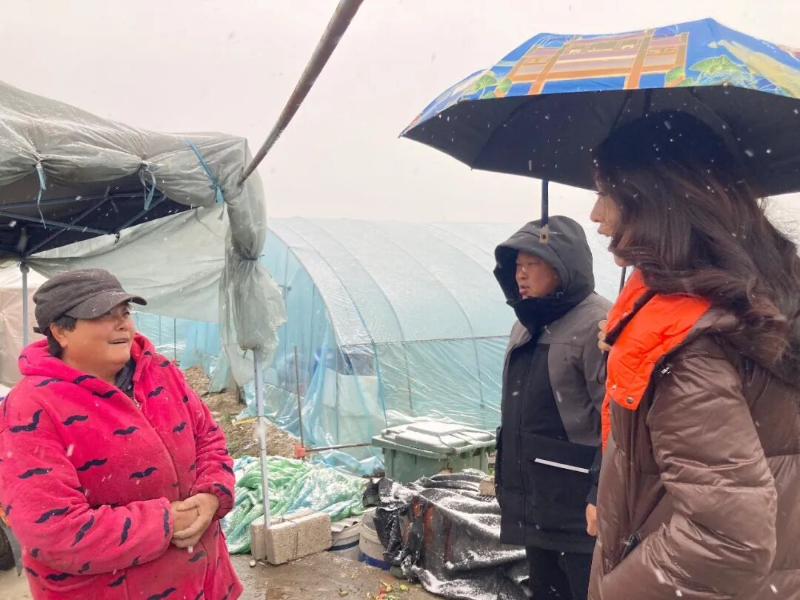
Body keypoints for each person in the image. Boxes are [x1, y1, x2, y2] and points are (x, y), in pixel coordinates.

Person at [588, 111, 800, 599]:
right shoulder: (761, 303)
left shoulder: (690, 344)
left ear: (650, 200)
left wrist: (614, 592)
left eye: (603, 192)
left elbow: (729, 541)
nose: (595, 215)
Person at [0, 269, 242, 599]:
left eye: (125, 312)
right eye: (102, 315)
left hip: (206, 580)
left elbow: (210, 440)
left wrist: (212, 495)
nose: (122, 325)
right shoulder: (30, 408)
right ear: (60, 331)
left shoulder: (160, 373)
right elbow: (52, 530)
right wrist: (165, 522)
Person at [493, 216, 611, 600]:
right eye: (517, 266)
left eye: (533, 264)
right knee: (545, 589)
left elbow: (617, 422)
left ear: (562, 269)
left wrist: (599, 493)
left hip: (577, 505)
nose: (521, 275)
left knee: (586, 589)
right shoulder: (526, 322)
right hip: (536, 500)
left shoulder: (598, 326)